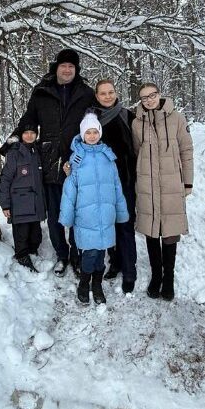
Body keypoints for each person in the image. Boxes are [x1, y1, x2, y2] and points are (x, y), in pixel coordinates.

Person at [2, 48, 95, 276]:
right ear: (56, 68)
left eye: (71, 67)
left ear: (76, 70)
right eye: (63, 66)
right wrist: (13, 141)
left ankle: (77, 255)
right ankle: (62, 256)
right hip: (49, 161)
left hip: (77, 162)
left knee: (77, 214)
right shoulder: (42, 92)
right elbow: (28, 120)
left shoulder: (85, 93)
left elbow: (95, 123)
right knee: (54, 216)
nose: (67, 70)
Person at [131, 82, 194, 301]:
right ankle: (156, 275)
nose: (149, 100)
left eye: (152, 95)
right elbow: (137, 152)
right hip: (147, 184)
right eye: (144, 97)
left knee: (169, 232)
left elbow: (186, 150)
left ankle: (169, 278)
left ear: (159, 95)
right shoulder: (137, 123)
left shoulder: (176, 118)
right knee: (151, 230)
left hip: (171, 184)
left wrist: (188, 182)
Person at [59, 112, 129, 304]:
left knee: (101, 254)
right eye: (88, 132)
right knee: (89, 254)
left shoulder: (108, 156)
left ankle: (97, 284)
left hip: (106, 216)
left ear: (99, 132)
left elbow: (116, 186)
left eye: (94, 132)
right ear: (82, 134)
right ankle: (84, 283)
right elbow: (70, 188)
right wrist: (67, 216)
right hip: (86, 216)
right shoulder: (76, 159)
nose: (91, 136)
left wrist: (121, 212)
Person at [89, 79, 138, 293]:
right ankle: (115, 262)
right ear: (97, 95)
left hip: (125, 181)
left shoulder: (127, 115)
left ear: (116, 93)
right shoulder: (91, 119)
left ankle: (130, 272)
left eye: (110, 92)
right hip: (102, 183)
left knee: (125, 226)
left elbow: (141, 145)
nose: (107, 96)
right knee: (108, 225)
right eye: (103, 93)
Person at [0, 121, 45, 272]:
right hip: (20, 203)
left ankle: (32, 251)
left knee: (36, 234)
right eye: (26, 133)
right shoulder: (14, 153)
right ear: (21, 135)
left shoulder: (38, 151)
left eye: (32, 133)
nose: (29, 135)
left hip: (36, 203)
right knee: (21, 233)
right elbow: (5, 179)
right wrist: (5, 204)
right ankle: (22, 256)